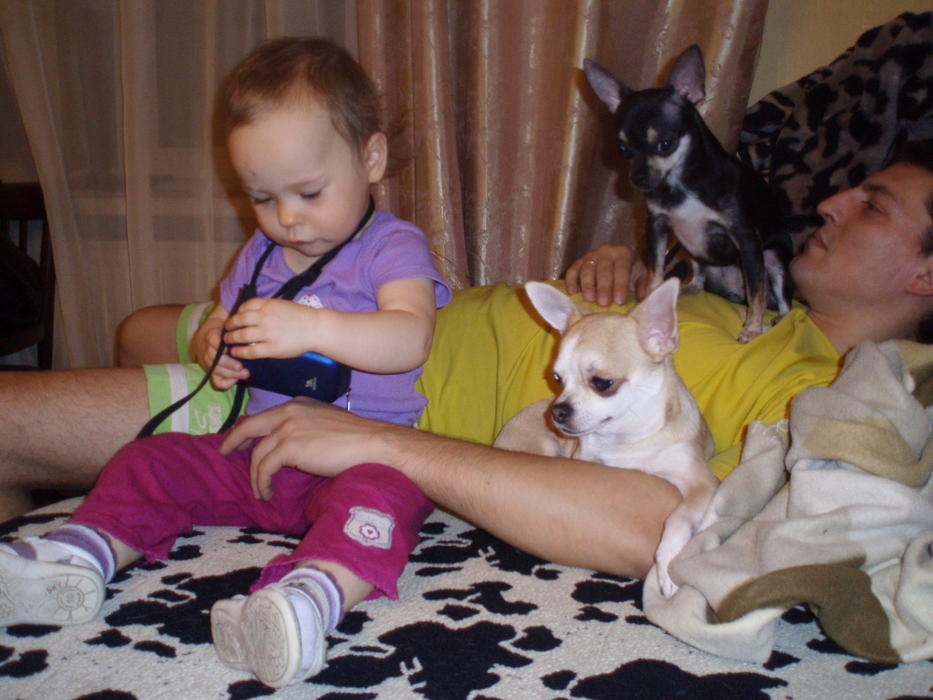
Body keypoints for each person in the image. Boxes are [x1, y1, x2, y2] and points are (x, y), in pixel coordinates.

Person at [0, 132, 930, 593]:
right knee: (137, 328)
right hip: (376, 320)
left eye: (874, 207)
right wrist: (616, 286)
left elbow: (644, 523)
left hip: (370, 391)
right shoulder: (738, 297)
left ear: (925, 275)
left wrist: (378, 442)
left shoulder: (822, 392)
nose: (834, 201)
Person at [0, 37, 451, 689]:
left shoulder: (392, 246)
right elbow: (220, 321)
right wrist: (216, 349)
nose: (287, 218)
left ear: (371, 157)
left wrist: (312, 327)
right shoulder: (259, 254)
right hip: (258, 454)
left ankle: (306, 602)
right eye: (262, 198)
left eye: (309, 192)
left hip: (358, 458)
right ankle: (81, 555)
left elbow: (409, 338)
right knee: (151, 458)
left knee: (385, 501)